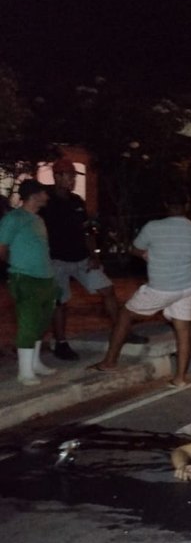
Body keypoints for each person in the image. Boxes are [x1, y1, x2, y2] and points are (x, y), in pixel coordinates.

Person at [90, 188, 191, 388]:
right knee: (183, 330)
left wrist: (146, 254)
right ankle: (180, 378)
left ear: (166, 205)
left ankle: (109, 362)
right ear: (187, 205)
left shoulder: (153, 227)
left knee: (124, 314)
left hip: (162, 287)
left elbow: (135, 248)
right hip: (188, 286)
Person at [40, 158, 144, 361]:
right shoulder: (47, 202)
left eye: (72, 176)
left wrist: (94, 255)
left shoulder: (77, 201)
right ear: (57, 176)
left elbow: (87, 231)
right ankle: (61, 343)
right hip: (56, 260)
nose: (72, 180)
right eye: (69, 176)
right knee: (60, 302)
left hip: (81, 258)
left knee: (108, 289)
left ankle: (121, 331)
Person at [0, 180, 58, 385]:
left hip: (45, 278)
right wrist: (16, 268)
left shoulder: (38, 219)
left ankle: (35, 363)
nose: (48, 196)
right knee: (28, 323)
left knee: (41, 323)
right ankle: (24, 372)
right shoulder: (13, 218)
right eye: (44, 192)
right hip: (24, 278)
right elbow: (2, 248)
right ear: (35, 195)